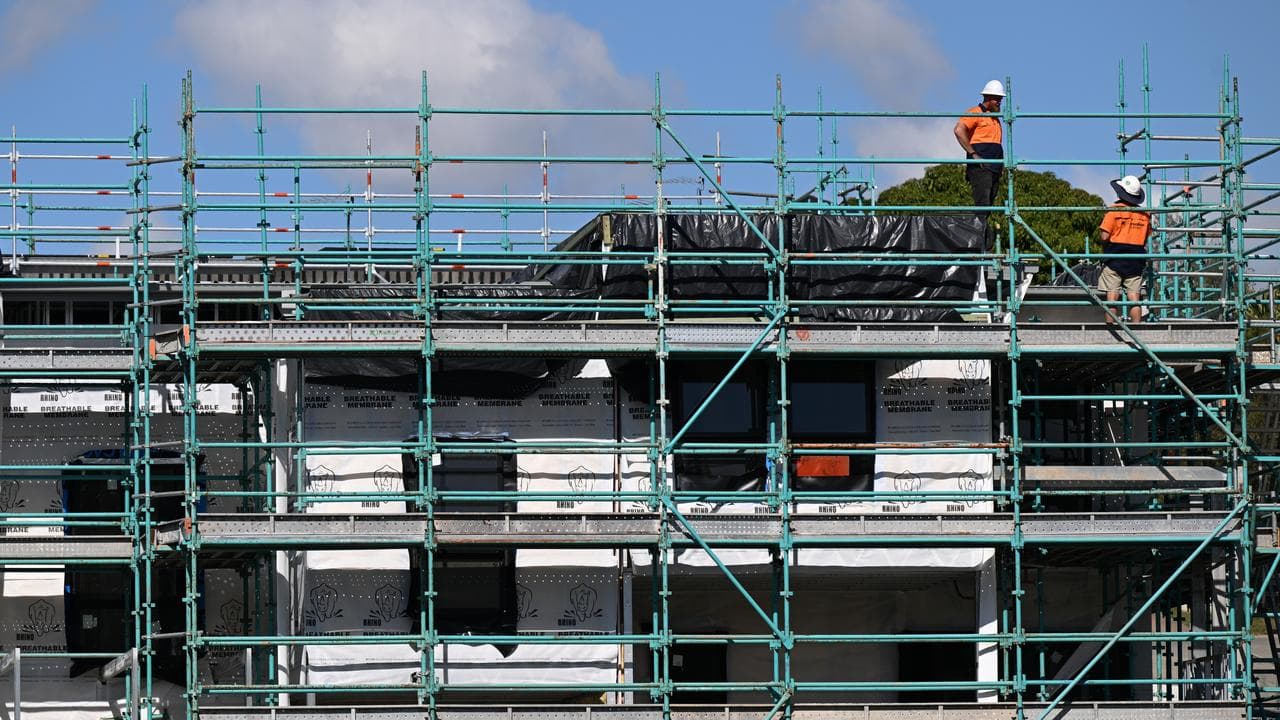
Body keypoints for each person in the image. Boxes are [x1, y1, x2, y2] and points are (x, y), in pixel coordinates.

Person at [1097, 175, 1151, 324]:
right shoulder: (1145, 215)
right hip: (1136, 258)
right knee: (1134, 297)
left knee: (1112, 296)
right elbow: (1145, 238)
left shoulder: (1113, 212)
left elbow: (1104, 236)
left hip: (1115, 256)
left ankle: (1111, 328)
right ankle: (1136, 329)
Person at [953, 80, 1006, 226]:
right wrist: (973, 154)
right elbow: (959, 130)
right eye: (998, 99)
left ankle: (980, 236)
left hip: (994, 167)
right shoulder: (974, 113)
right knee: (982, 204)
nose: (1000, 102)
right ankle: (977, 237)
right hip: (981, 168)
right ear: (988, 97)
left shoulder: (995, 118)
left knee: (988, 205)